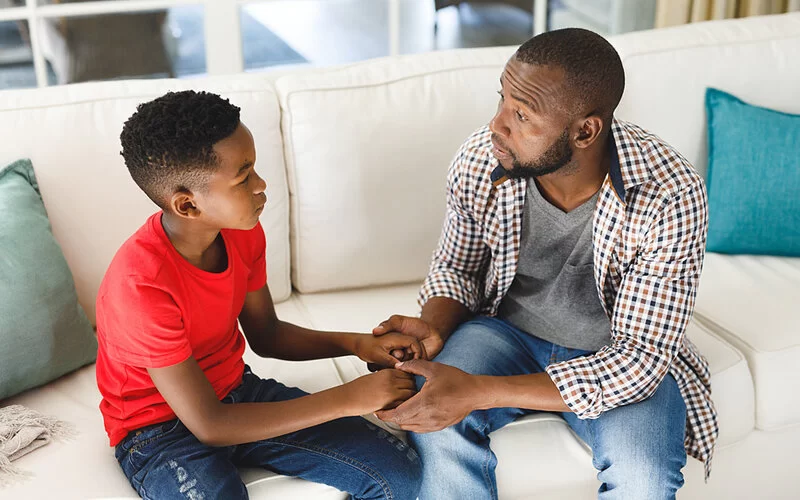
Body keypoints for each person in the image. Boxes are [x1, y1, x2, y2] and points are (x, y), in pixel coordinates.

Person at [372, 28, 718, 499]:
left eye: (522, 114)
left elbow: (638, 360)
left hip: (613, 352)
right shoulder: (483, 158)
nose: (497, 124)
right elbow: (458, 269)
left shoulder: (669, 193)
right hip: (503, 333)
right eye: (502, 100)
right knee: (432, 420)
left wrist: (478, 391)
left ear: (584, 131)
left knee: (644, 477)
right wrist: (433, 326)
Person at [95, 90, 422, 500]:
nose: (261, 184)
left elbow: (267, 335)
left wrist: (359, 345)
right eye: (243, 176)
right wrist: (349, 398)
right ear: (188, 205)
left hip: (239, 394)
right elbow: (209, 425)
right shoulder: (140, 287)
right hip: (158, 432)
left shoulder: (242, 233)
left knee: (400, 474)